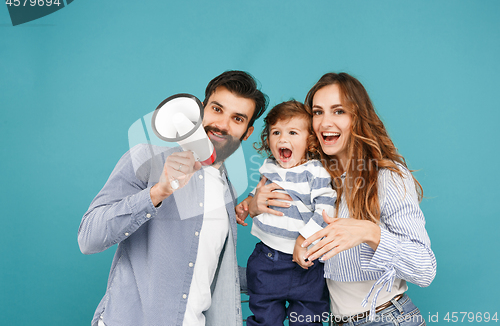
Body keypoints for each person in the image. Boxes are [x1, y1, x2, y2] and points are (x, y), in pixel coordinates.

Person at [77, 70, 269, 326]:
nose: (222, 124)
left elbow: (204, 273)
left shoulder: (227, 190)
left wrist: (287, 272)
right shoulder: (146, 158)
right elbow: (88, 238)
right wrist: (158, 192)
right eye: (217, 109)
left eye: (237, 118)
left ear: (247, 132)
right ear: (200, 110)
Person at [246, 73, 436, 326]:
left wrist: (371, 232)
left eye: (338, 111)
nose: (325, 122)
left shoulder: (387, 177)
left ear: (357, 117)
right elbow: (284, 260)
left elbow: (425, 270)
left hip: (386, 318)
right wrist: (253, 205)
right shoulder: (310, 178)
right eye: (317, 112)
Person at [236, 101, 334, 325]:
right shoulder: (270, 165)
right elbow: (261, 189)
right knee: (264, 318)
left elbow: (326, 207)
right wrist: (248, 203)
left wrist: (304, 238)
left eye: (292, 132)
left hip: (306, 266)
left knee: (309, 319)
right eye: (275, 132)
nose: (282, 139)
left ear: (309, 141)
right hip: (267, 260)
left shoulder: (315, 171)